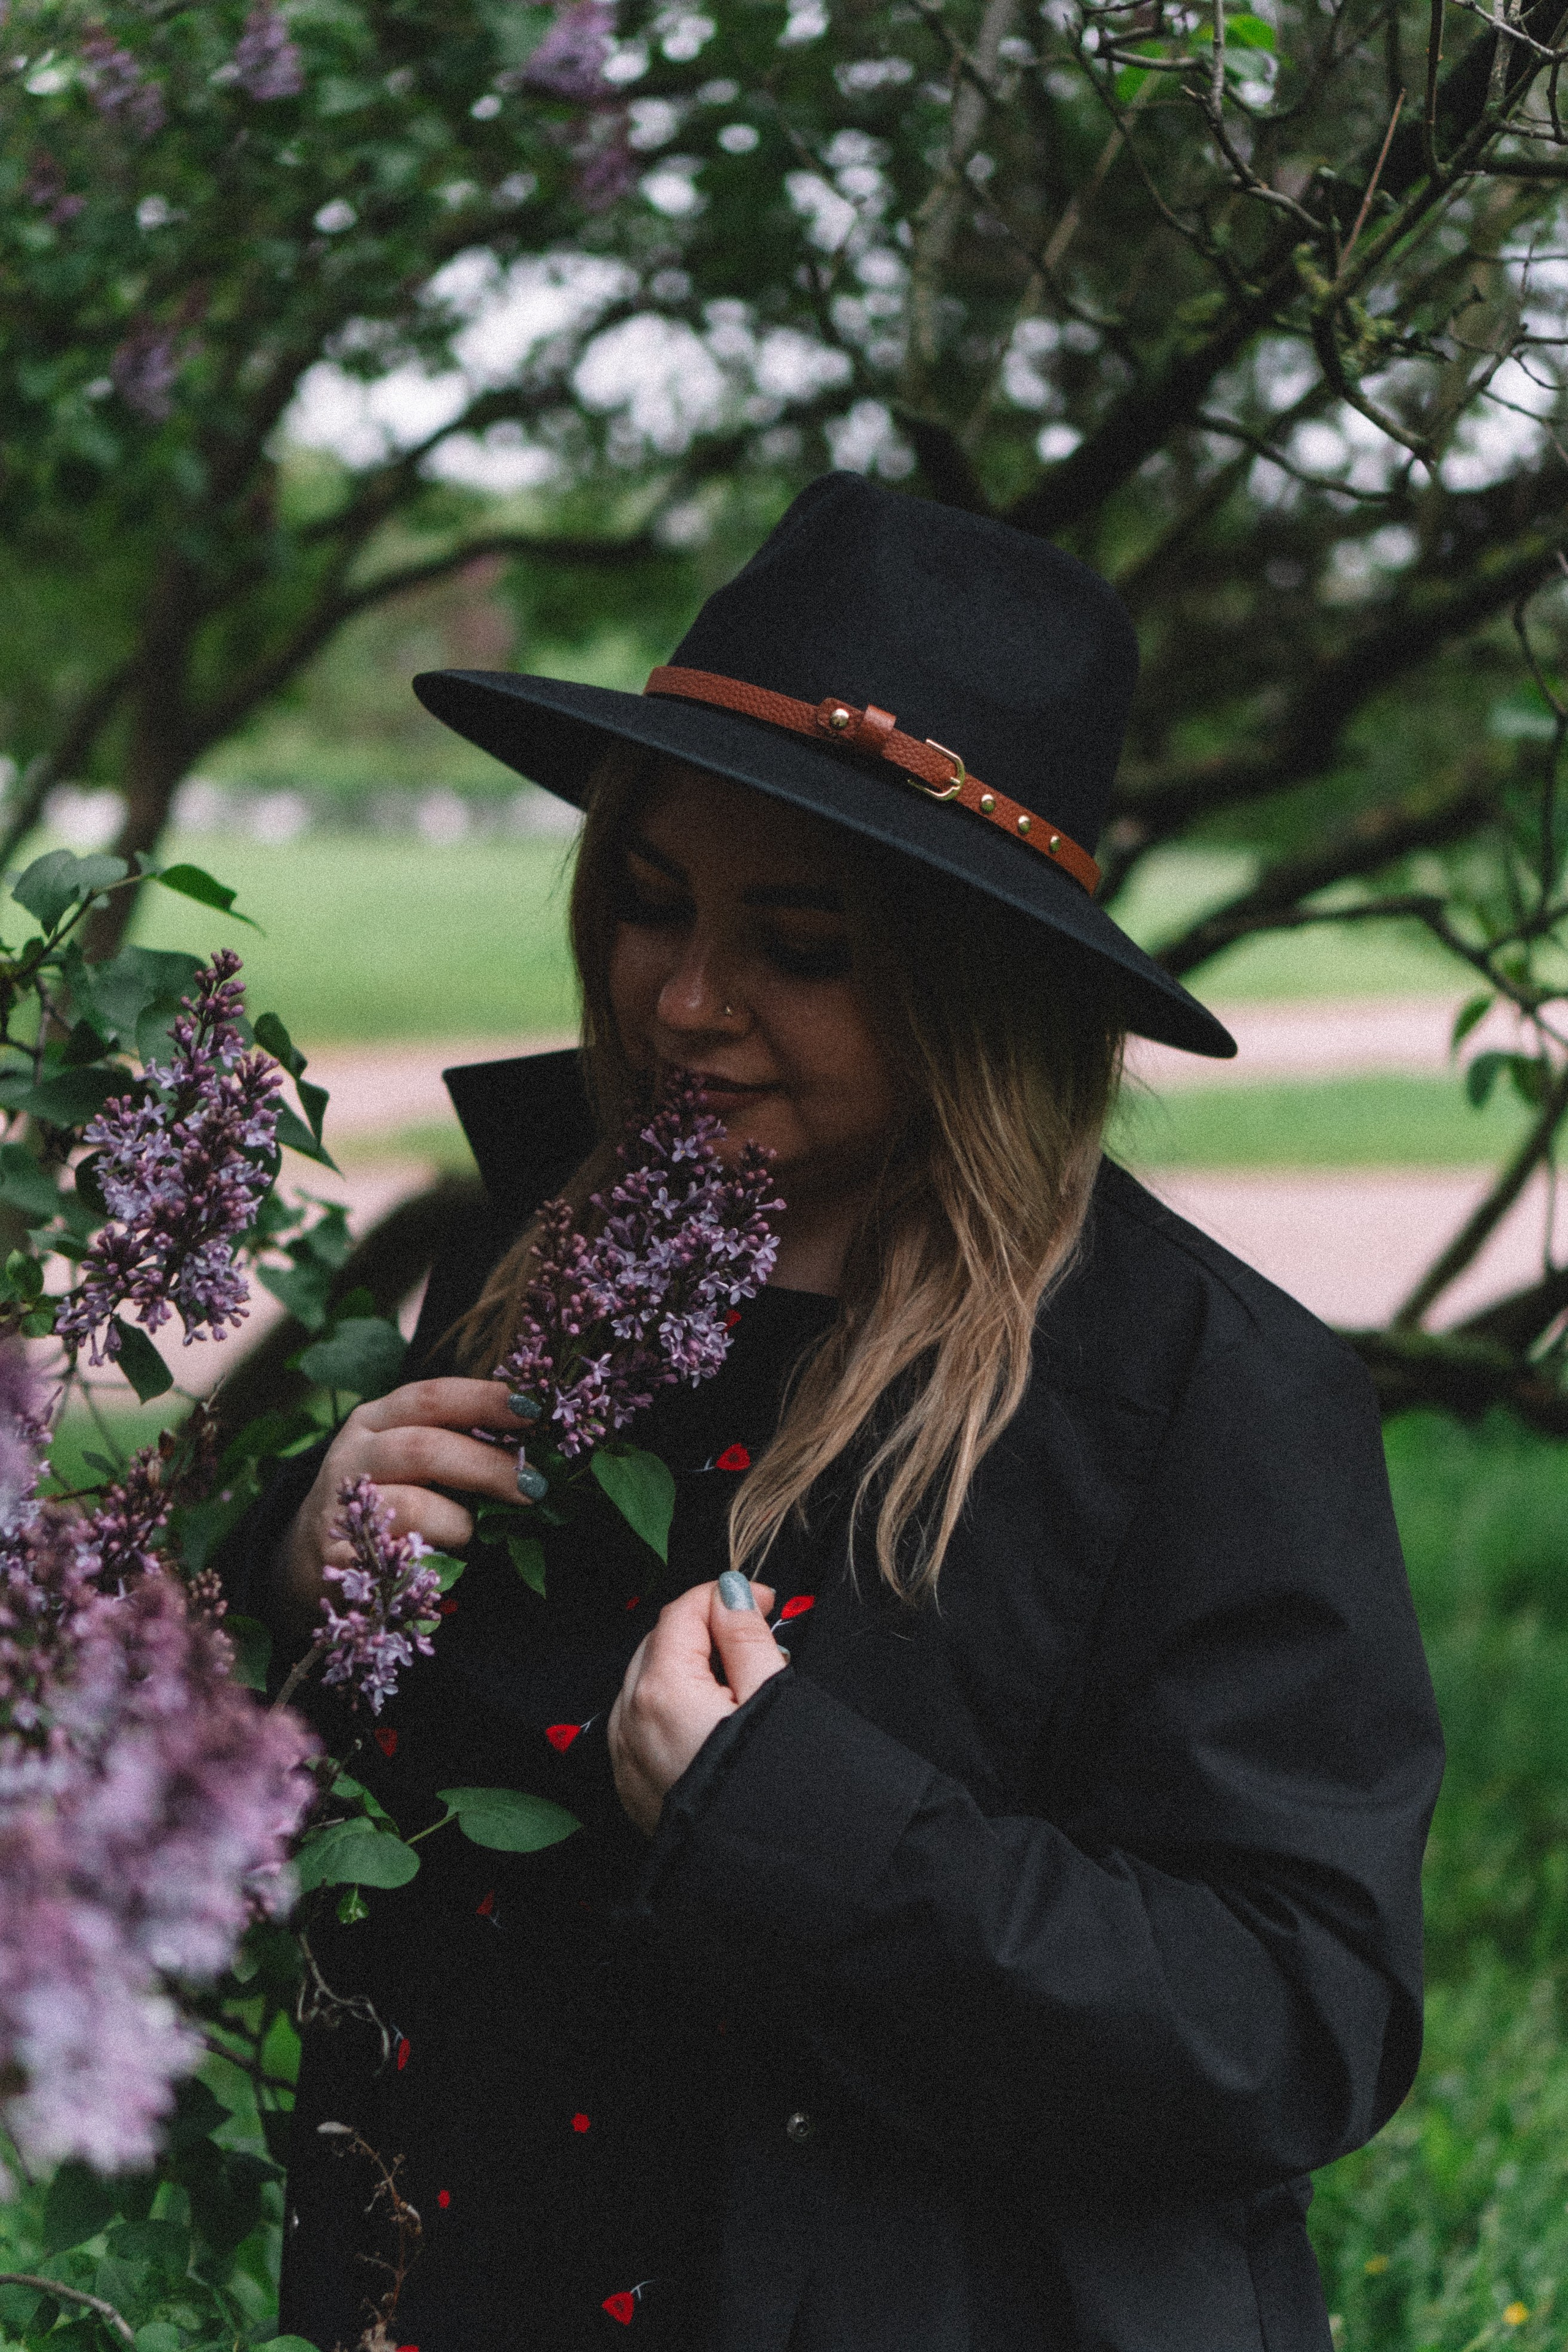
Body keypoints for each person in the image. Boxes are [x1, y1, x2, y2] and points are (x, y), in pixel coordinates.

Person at [225, 473, 1442, 2352]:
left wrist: (798, 1826)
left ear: (984, 990)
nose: (686, 998)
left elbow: (1293, 2018)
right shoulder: (524, 1263)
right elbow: (336, 1834)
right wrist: (295, 1574)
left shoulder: (1204, 1397)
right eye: (649, 904)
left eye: (801, 945)